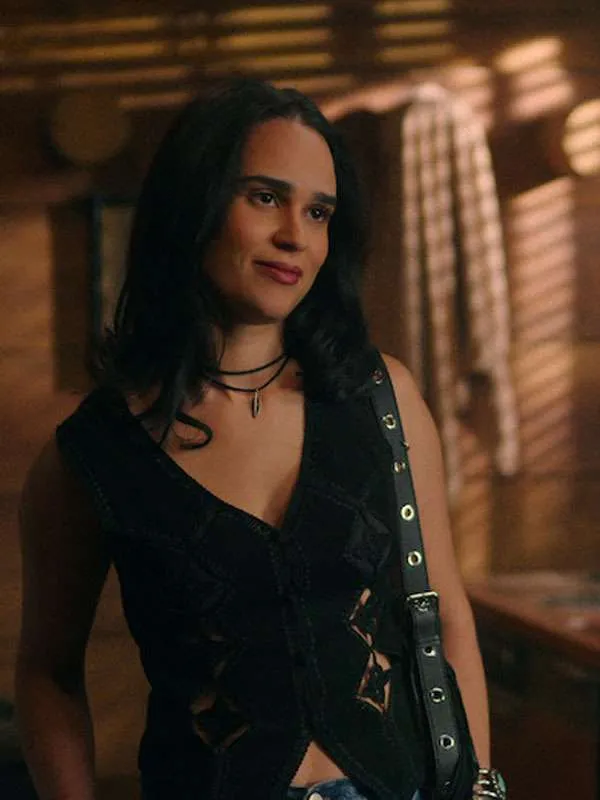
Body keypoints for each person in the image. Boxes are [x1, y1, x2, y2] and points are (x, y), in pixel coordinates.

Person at [15, 78, 502, 800]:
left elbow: (443, 612)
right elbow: (48, 673)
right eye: (266, 197)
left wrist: (482, 789)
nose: (295, 236)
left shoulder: (381, 398)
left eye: (318, 211)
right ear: (195, 204)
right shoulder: (92, 453)